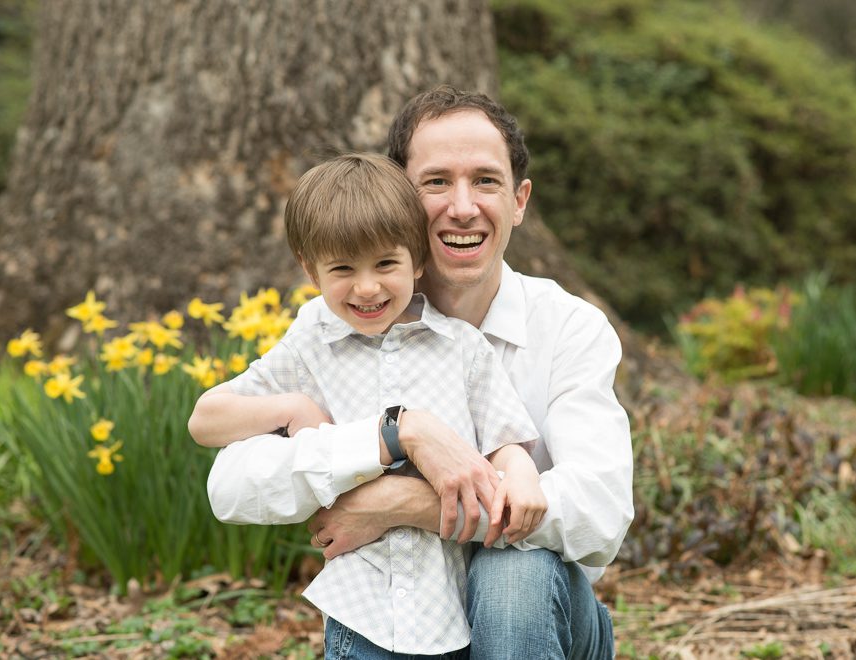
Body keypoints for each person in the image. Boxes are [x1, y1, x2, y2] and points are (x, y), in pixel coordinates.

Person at [203, 85, 633, 659]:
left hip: (541, 622)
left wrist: (402, 506)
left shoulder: (569, 328)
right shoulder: (338, 323)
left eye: (486, 180)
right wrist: (391, 433)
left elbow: (599, 513)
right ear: (402, 200)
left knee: (512, 573)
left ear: (520, 200)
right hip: (402, 618)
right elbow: (231, 484)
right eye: (436, 182)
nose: (462, 206)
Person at [188, 152, 546, 657]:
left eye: (385, 264)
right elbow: (205, 421)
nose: (367, 287)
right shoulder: (309, 346)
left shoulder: (461, 347)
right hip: (362, 614)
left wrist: (523, 475)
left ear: (417, 259)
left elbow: (503, 443)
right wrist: (290, 407)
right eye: (342, 269)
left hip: (453, 608)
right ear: (309, 269)